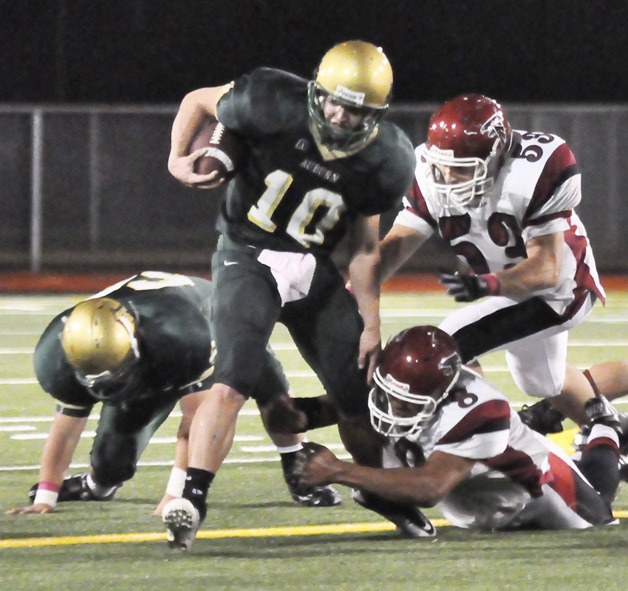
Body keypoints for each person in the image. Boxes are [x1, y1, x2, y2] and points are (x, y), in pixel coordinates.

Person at [162, 40, 421, 549]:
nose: (341, 115)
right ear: (316, 89)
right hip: (249, 254)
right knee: (232, 379)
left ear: (378, 113)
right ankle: (192, 499)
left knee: (358, 394)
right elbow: (197, 99)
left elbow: (365, 249)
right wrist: (177, 158)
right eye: (334, 100)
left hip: (317, 270)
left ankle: (380, 491)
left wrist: (371, 320)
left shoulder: (389, 157)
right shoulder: (270, 97)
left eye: (358, 109)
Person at [374, 93, 628, 436]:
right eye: (442, 166)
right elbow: (397, 244)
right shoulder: (430, 171)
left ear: (496, 156)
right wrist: (352, 290)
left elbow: (547, 267)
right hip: (514, 286)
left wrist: (487, 285)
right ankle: (612, 435)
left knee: (446, 344)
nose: (447, 177)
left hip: (559, 290)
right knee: (544, 383)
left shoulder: (535, 169)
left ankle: (482, 438)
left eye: (462, 169)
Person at [5, 270, 340, 516]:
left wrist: (178, 493)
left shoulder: (183, 339)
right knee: (111, 463)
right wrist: (44, 497)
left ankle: (295, 466)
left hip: (214, 316)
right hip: (151, 345)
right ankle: (96, 486)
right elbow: (66, 429)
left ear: (133, 348)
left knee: (273, 393)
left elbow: (197, 422)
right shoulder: (58, 355)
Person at [295, 326, 621, 532]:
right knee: (353, 409)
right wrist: (271, 400)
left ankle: (606, 427)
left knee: (600, 507)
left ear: (443, 393)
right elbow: (325, 409)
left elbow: (430, 487)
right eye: (389, 395)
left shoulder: (481, 410)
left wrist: (338, 471)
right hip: (478, 495)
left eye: (406, 403)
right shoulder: (401, 383)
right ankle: (568, 423)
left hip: (544, 496)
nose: (392, 409)